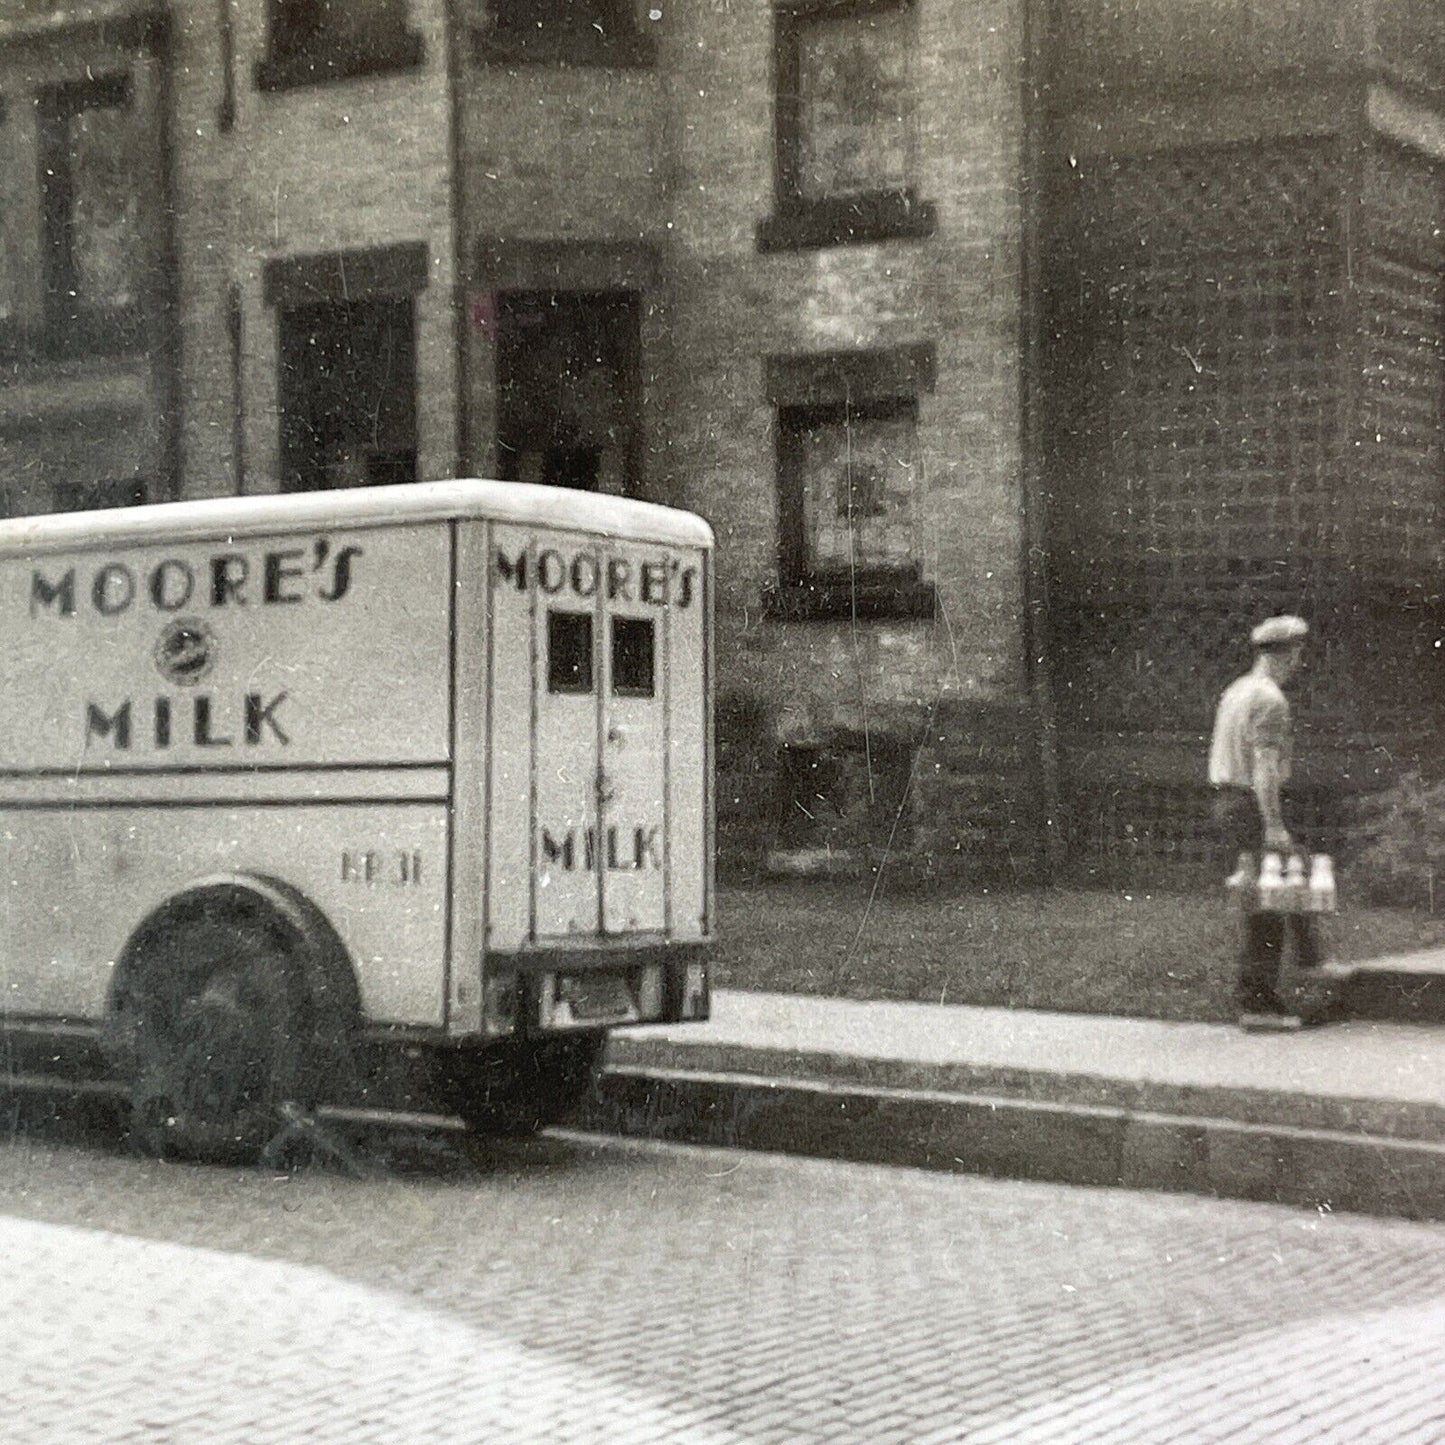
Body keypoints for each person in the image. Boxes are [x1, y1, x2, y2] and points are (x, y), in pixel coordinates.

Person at [1207, 614, 1320, 1030]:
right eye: (1297, 653)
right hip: (1249, 805)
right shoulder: (1271, 700)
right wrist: (1273, 824)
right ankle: (1257, 1000)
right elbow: (1264, 768)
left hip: (1226, 801)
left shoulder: (1236, 691)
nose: (1299, 662)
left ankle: (1303, 966)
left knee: (1267, 895)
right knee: (1267, 904)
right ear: (1286, 654)